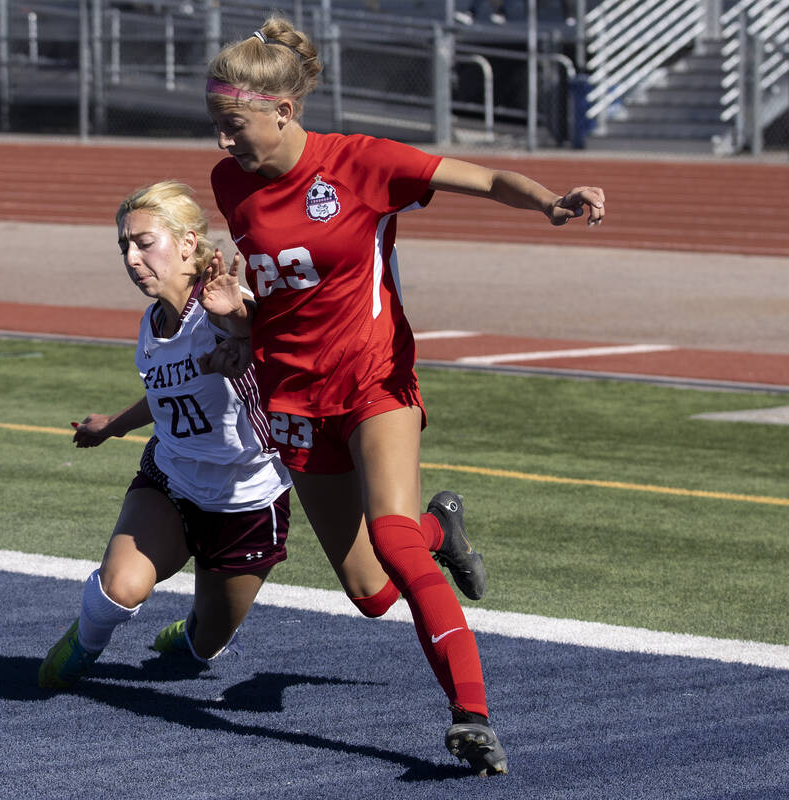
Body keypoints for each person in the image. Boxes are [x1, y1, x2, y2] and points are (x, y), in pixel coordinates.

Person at [201, 17, 605, 776]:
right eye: (216, 127)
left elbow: (483, 178)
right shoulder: (232, 184)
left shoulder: (361, 163)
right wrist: (234, 317)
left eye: (235, 126)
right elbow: (279, 305)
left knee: (390, 538)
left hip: (374, 377)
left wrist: (551, 201)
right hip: (293, 396)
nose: (224, 144)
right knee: (370, 591)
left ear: (284, 112)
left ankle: (472, 714)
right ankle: (439, 527)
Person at [38, 180, 485, 692]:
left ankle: (436, 529)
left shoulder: (224, 306)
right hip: (172, 480)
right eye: (125, 246)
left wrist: (244, 339)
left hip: (247, 501)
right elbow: (170, 394)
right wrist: (112, 426)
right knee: (121, 588)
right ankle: (83, 644)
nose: (132, 258)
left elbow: (261, 335)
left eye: (144, 242)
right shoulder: (154, 318)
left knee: (365, 598)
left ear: (187, 244)